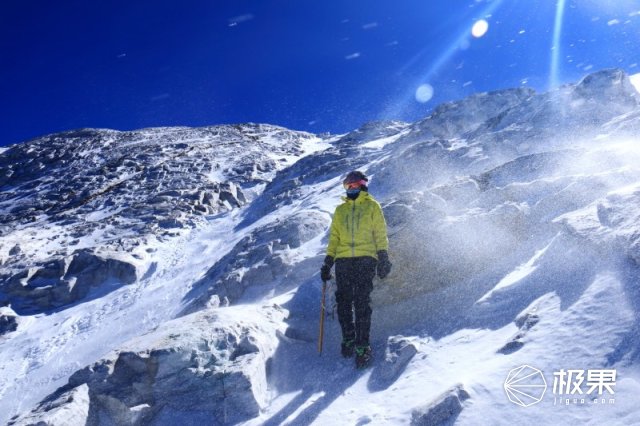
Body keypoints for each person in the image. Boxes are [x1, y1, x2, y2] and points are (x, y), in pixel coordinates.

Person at [320, 170, 392, 368]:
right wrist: (328, 262)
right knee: (343, 302)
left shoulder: (372, 206)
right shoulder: (340, 210)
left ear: (362, 185)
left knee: (361, 302)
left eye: (353, 186)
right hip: (343, 261)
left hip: (365, 259)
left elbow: (380, 233)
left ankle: (363, 345)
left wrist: (383, 256)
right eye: (347, 186)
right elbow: (334, 238)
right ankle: (349, 338)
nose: (350, 189)